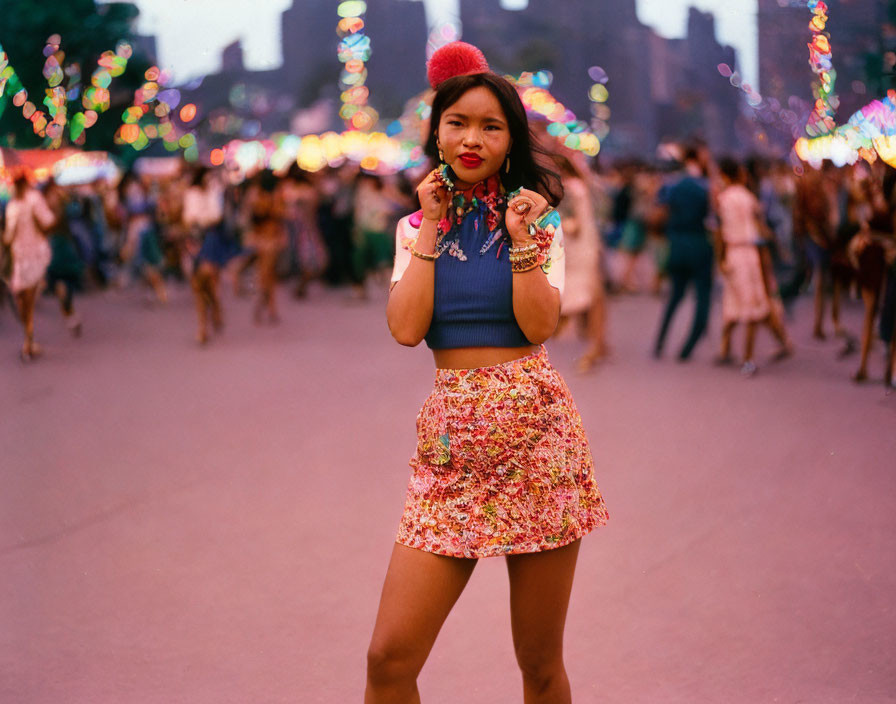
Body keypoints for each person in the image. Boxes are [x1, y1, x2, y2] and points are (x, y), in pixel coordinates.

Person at [366, 42, 609, 703]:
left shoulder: (539, 221)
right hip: (449, 452)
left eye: (491, 126)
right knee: (389, 659)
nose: (472, 138)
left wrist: (523, 238)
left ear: (511, 140)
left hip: (539, 445)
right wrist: (433, 224)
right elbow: (406, 328)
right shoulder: (415, 227)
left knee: (538, 664)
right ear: (436, 131)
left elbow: (538, 327)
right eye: (458, 122)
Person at [714, 158, 793, 376]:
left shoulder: (723, 199)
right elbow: (761, 228)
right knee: (755, 304)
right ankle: (749, 355)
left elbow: (720, 232)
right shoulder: (748, 198)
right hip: (750, 254)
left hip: (733, 253)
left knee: (737, 304)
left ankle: (735, 353)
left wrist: (719, 259)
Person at [652, 146, 714, 361]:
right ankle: (686, 349)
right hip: (699, 245)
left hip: (677, 245)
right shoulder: (706, 186)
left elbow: (659, 211)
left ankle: (659, 343)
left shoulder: (672, 185)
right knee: (703, 299)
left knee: (674, 298)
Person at [2, 170, 55, 361]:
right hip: (26, 255)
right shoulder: (21, 202)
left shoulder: (23, 202)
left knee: (27, 299)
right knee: (25, 300)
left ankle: (28, 341)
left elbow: (47, 221)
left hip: (27, 255)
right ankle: (28, 339)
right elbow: (48, 221)